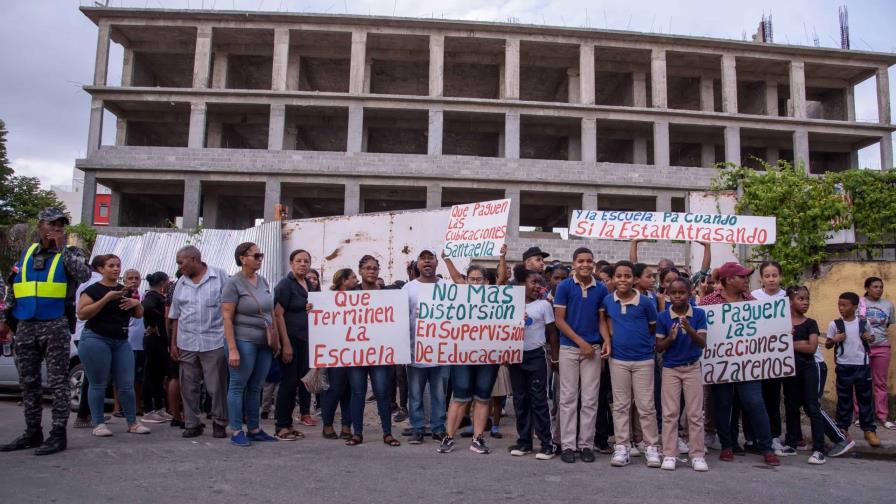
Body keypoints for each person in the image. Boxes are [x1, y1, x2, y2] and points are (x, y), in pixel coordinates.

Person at [0, 207, 91, 455]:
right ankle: (32, 432)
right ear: (41, 226)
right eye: (51, 224)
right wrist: (5, 320)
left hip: (55, 324)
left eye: (60, 225)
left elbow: (84, 274)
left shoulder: (70, 253)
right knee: (28, 382)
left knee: (58, 382)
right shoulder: (28, 253)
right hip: (25, 324)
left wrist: (62, 248)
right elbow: (14, 287)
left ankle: (58, 435)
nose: (56, 229)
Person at [700, 262, 780, 467]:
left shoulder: (751, 300)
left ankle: (767, 447)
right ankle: (727, 445)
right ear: (728, 280)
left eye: (746, 277)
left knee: (755, 403)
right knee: (723, 404)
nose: (746, 280)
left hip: (748, 364)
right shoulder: (708, 302)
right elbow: (700, 327)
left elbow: (765, 326)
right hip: (721, 364)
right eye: (742, 277)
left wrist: (781, 330)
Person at [76, 254, 150, 437]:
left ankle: (132, 422)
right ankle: (98, 423)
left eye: (118, 265)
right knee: (98, 383)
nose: (116, 269)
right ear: (101, 269)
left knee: (126, 383)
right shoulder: (93, 290)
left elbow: (138, 314)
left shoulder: (125, 290)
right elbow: (82, 314)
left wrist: (136, 304)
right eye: (111, 266)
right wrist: (107, 299)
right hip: (96, 338)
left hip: (121, 341)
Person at [599, 260, 661, 468]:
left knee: (646, 406)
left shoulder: (645, 303)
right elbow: (605, 321)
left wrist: (643, 346)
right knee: (621, 405)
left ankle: (651, 447)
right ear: (614, 278)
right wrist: (609, 341)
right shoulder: (608, 300)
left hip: (643, 360)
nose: (623, 280)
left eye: (627, 276)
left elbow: (653, 328)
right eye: (619, 276)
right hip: (618, 360)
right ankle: (622, 447)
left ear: (634, 279)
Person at [553, 247, 610, 463]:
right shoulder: (564, 287)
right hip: (569, 348)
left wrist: (606, 341)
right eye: (581, 261)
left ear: (593, 264)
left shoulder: (601, 288)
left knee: (590, 398)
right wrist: (581, 343)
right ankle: (568, 445)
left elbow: (601, 320)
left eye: (589, 261)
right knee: (568, 398)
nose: (585, 264)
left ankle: (586, 444)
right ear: (574, 263)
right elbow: (559, 320)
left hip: (593, 349)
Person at [222, 242, 280, 447]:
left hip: (263, 341)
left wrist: (276, 339)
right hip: (242, 340)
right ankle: (237, 429)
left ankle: (254, 428)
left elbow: (270, 311)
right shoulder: (233, 283)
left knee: (256, 386)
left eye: (260, 255)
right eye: (256, 255)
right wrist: (232, 349)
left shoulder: (262, 281)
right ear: (242, 258)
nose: (260, 258)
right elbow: (227, 317)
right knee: (238, 385)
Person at [440, 256, 500, 454]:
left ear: (486, 281)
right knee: (460, 397)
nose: (475, 282)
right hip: (463, 354)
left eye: (479, 279)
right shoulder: (458, 296)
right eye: (472, 279)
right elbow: (455, 276)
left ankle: (478, 438)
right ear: (466, 281)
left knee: (483, 398)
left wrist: (502, 257)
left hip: (487, 355)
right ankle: (448, 437)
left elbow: (502, 279)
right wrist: (447, 259)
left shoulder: (497, 298)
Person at [168, 245, 229, 439]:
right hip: (187, 341)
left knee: (216, 386)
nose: (179, 267)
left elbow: (229, 309)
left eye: (181, 262)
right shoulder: (181, 283)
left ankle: (219, 422)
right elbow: (176, 315)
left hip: (214, 341)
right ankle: (192, 423)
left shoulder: (219, 276)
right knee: (189, 386)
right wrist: (174, 343)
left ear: (194, 259)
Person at [655, 277, 708, 472]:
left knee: (695, 413)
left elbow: (702, 343)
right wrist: (671, 337)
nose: (677, 296)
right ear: (668, 295)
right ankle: (670, 453)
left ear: (690, 293)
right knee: (670, 413)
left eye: (682, 292)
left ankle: (697, 454)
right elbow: (659, 347)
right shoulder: (662, 317)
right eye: (674, 293)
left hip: (692, 367)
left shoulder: (699, 314)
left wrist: (689, 329)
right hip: (671, 369)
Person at [346, 255, 399, 447]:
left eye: (375, 268)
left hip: (380, 352)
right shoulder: (349, 294)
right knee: (358, 393)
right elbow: (333, 315)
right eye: (367, 268)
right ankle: (357, 433)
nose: (371, 271)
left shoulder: (388, 294)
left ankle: (387, 432)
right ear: (360, 271)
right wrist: (314, 309)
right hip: (356, 352)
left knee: (382, 392)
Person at [507, 269, 558, 459]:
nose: (538, 286)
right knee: (520, 400)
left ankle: (547, 443)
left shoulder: (544, 305)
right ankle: (524, 442)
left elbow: (552, 333)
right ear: (521, 283)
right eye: (533, 282)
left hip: (536, 356)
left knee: (539, 400)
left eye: (540, 283)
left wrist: (554, 358)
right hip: (515, 357)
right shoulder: (509, 303)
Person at [749, 261, 795, 455]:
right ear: (761, 278)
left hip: (778, 356)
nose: (771, 279)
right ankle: (754, 437)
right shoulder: (752, 297)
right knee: (754, 398)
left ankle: (774, 435)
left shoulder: (786, 297)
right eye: (767, 276)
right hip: (756, 354)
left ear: (780, 276)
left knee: (773, 397)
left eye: (774, 275)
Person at [403, 247, 449, 445]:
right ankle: (417, 428)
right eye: (423, 259)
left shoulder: (447, 287)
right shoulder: (408, 288)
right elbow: (400, 318)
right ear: (417, 264)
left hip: (441, 351)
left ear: (436, 263)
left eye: (431, 258)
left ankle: (438, 428)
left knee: (439, 394)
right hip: (415, 352)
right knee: (415, 394)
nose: (427, 261)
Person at [827, 291, 880, 448]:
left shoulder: (863, 323)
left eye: (844, 305)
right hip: (844, 366)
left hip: (862, 366)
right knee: (844, 398)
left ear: (855, 307)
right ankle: (842, 428)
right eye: (839, 305)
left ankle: (869, 429)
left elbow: (871, 338)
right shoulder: (835, 324)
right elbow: (829, 344)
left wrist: (870, 338)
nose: (841, 308)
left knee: (865, 399)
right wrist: (835, 340)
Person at [273, 249, 315, 441]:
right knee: (288, 384)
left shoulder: (309, 285)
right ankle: (281, 426)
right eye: (299, 261)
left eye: (306, 261)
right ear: (291, 263)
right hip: (291, 340)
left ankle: (289, 424)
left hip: (306, 341)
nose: (303, 264)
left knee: (300, 383)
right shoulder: (285, 285)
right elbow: (278, 314)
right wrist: (286, 344)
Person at [786, 286, 828, 465]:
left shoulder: (811, 323)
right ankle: (792, 442)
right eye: (801, 299)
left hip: (809, 368)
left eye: (807, 299)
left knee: (812, 406)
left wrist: (789, 343)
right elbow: (774, 342)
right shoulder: (783, 323)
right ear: (789, 301)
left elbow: (811, 348)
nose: (805, 302)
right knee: (791, 405)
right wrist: (798, 342)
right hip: (789, 369)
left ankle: (819, 448)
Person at [320, 268, 355, 441]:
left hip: (355, 351)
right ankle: (327, 424)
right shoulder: (327, 300)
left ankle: (347, 425)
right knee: (335, 389)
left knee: (349, 389)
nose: (356, 280)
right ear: (343, 280)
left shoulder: (359, 298)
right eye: (353, 277)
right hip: (335, 351)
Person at [72, 255, 105, 429]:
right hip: (91, 332)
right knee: (94, 378)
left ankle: (89, 413)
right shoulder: (98, 281)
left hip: (80, 333)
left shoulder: (81, 282)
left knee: (92, 377)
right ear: (101, 267)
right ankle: (85, 414)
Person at [140, 272, 175, 424]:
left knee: (160, 375)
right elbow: (146, 308)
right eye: (168, 281)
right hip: (153, 341)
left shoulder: (161, 297)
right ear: (162, 283)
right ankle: (148, 410)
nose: (169, 284)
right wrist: (153, 325)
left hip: (161, 341)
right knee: (151, 374)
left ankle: (159, 408)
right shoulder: (152, 297)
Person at [860, 277, 895, 429]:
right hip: (861, 348)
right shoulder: (860, 303)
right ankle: (860, 415)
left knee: (880, 383)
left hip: (882, 347)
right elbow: (853, 323)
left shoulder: (888, 305)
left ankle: (882, 416)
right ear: (867, 288)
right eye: (875, 287)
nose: (879, 289)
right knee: (861, 382)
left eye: (881, 287)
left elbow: (888, 323)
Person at [119, 269, 145, 417]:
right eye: (130, 278)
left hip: (140, 343)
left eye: (137, 278)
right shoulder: (119, 295)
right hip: (124, 341)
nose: (134, 281)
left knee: (137, 377)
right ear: (124, 280)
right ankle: (118, 407)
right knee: (121, 376)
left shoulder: (143, 296)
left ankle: (136, 406)